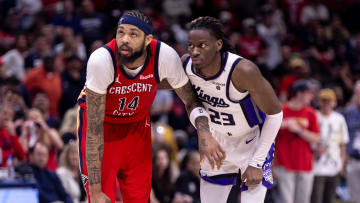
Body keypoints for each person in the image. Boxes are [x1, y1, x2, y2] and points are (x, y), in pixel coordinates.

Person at [77, 10, 216, 203]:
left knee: (140, 199)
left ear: (147, 39)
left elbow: (190, 100)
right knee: (101, 199)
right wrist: (95, 191)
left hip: (137, 127)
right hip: (102, 128)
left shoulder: (165, 57)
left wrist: (204, 132)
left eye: (133, 34)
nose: (124, 39)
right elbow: (93, 130)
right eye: (121, 32)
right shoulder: (102, 60)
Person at [183, 16, 283, 203]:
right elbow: (189, 102)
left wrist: (256, 162)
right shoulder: (187, 67)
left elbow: (276, 114)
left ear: (218, 44)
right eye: (190, 45)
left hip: (252, 141)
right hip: (217, 141)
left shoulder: (242, 70)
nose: (194, 51)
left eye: (202, 45)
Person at [275, 80, 320, 203]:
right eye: (309, 93)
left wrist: (299, 130)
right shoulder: (281, 110)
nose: (312, 96)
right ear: (299, 93)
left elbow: (317, 138)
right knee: (285, 200)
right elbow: (267, 132)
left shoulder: (311, 112)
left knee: (303, 200)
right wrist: (282, 125)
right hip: (284, 163)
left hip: (305, 164)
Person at [311, 88, 349, 203]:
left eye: (329, 101)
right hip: (315, 167)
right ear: (318, 102)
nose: (326, 103)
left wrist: (342, 164)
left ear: (334, 102)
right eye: (323, 100)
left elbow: (343, 144)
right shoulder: (313, 116)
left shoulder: (339, 119)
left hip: (334, 167)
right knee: (315, 199)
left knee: (330, 199)